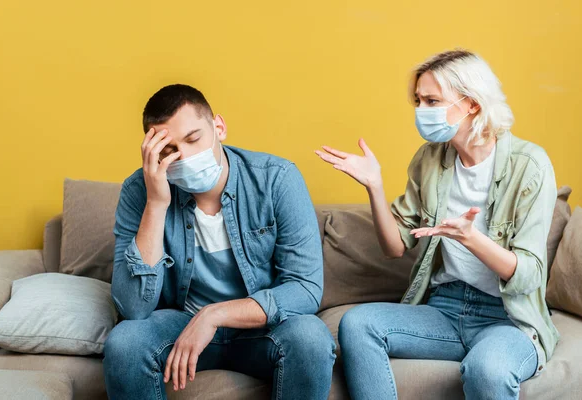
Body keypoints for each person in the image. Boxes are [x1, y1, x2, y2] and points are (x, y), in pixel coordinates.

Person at [315, 49, 558, 400]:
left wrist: (471, 239)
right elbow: (394, 246)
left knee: (487, 371)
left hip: (507, 317)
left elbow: (529, 275)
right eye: (418, 100)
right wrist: (375, 186)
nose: (421, 111)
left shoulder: (529, 165)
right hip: (444, 306)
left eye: (432, 100)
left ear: (472, 103)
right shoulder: (429, 159)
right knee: (357, 324)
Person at [104, 84, 335, 400]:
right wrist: (156, 204)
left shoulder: (277, 178)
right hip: (181, 328)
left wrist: (213, 315)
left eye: (193, 138)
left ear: (219, 128)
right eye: (169, 149)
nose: (184, 155)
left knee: (310, 336)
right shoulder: (139, 192)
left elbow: (305, 289)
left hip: (260, 331)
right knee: (125, 341)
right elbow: (132, 307)